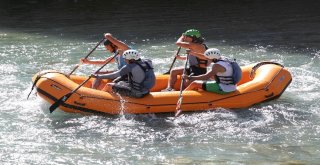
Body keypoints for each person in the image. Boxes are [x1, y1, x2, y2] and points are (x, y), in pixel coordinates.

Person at [92, 49, 156, 98]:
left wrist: (98, 76)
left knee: (109, 85)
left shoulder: (129, 67)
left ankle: (98, 97)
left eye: (125, 59)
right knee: (120, 83)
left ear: (131, 59)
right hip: (146, 91)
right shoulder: (148, 61)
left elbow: (114, 75)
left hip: (137, 93)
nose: (125, 60)